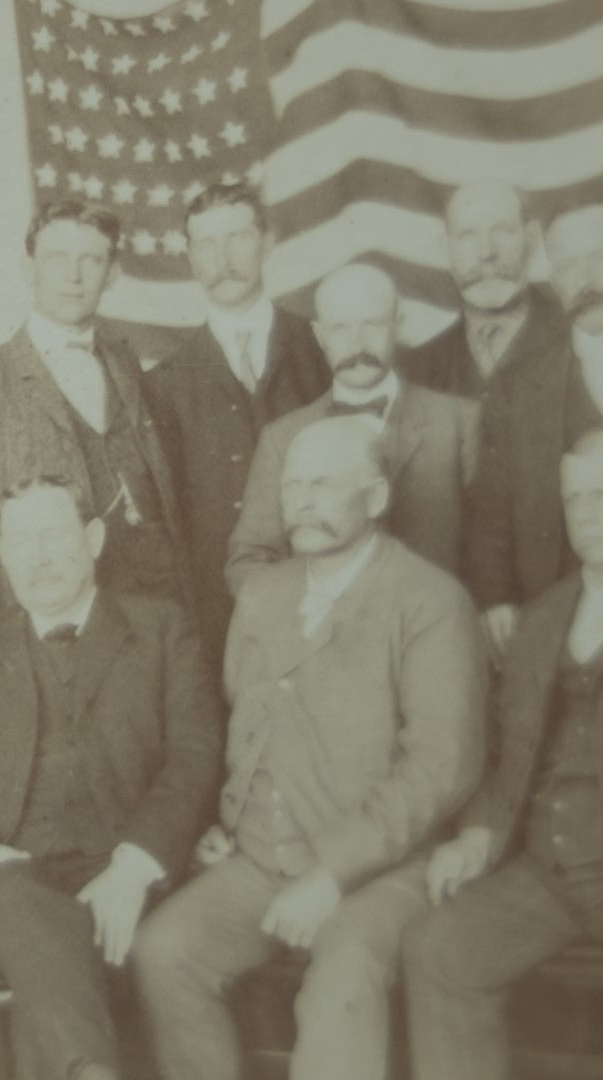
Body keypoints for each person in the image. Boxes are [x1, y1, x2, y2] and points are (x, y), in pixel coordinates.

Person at [133, 417, 487, 1080]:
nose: (300, 500)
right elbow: (237, 724)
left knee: (341, 982)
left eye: (322, 484)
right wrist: (222, 822)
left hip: (381, 871)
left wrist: (330, 876)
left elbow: (441, 765)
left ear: (376, 498)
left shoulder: (429, 602)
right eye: (291, 484)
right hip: (261, 858)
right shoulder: (263, 596)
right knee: (164, 951)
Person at [0, 477, 223, 1080]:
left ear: (94, 538)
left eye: (52, 534)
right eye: (18, 541)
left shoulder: (160, 629)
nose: (37, 556)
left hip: (131, 872)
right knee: (6, 886)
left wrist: (134, 865)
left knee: (41, 983)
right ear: (0, 555)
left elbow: (195, 753)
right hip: (17, 881)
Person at [404, 429, 603, 1080]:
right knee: (439, 949)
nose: (588, 513)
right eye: (574, 499)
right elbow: (509, 752)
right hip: (547, 869)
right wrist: (478, 834)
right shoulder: (546, 615)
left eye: (601, 494)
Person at [0, 200, 190, 643]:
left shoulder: (124, 362)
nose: (73, 276)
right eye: (57, 259)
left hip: (154, 623)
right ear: (28, 268)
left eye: (91, 260)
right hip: (45, 642)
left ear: (112, 274)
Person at [147, 184, 331, 653]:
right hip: (224, 618)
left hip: (328, 593)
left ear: (267, 243)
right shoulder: (164, 384)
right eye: (206, 244)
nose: (223, 258)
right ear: (189, 259)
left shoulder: (321, 349)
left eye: (237, 237)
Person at [227, 263, 478, 592]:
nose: (357, 344)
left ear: (397, 325)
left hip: (432, 631)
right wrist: (306, 615)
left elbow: (490, 553)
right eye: (340, 329)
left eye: (371, 325)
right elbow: (249, 560)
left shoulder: (459, 421)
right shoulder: (281, 438)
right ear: (319, 335)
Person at [467, 204, 603, 660]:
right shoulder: (519, 385)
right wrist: (496, 596)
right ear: (552, 279)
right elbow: (491, 505)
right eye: (567, 266)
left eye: (598, 257)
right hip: (556, 618)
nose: (585, 279)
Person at [400, 181, 563, 402]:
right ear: (446, 248)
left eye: (503, 231)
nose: (486, 252)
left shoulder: (578, 337)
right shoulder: (418, 369)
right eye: (467, 235)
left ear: (532, 237)